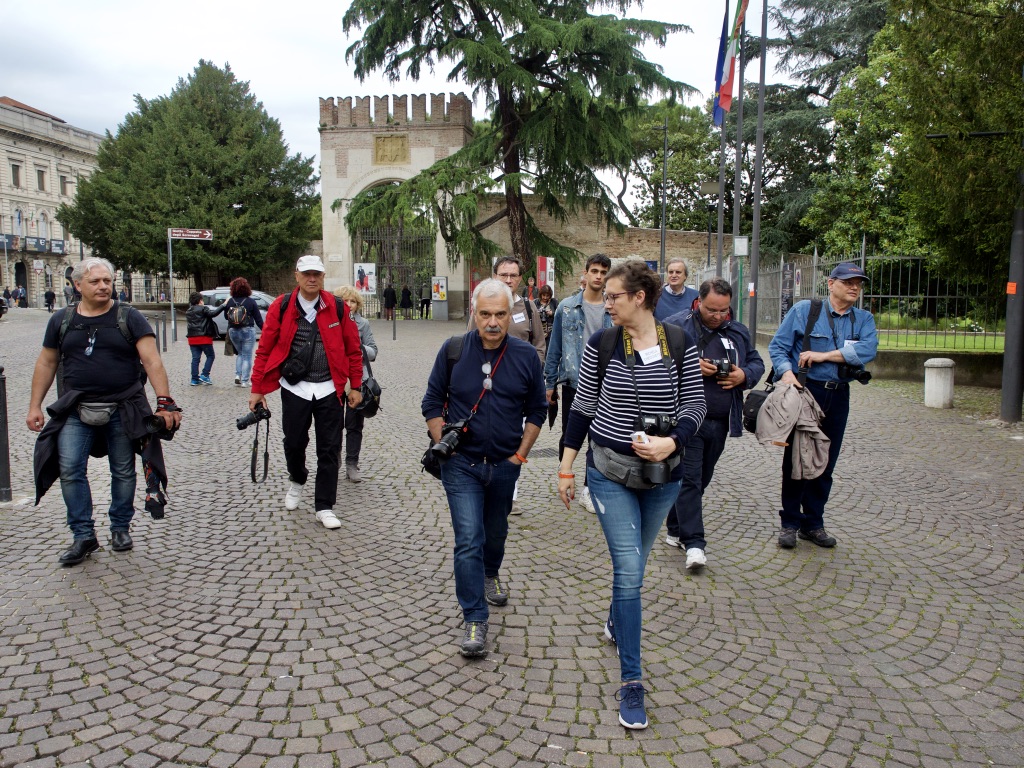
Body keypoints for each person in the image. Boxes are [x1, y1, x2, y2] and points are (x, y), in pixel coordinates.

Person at [557, 259, 706, 729]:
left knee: (633, 567)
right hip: (610, 474)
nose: (607, 301)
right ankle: (633, 683)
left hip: (664, 476)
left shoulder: (678, 342)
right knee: (629, 571)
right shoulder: (602, 343)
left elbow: (695, 405)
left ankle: (614, 621)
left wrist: (673, 440)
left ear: (638, 298)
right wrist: (566, 467)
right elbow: (581, 407)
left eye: (614, 296)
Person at [26, 257, 183, 565]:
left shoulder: (129, 317)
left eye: (107, 281)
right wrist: (34, 405)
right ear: (78, 285)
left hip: (121, 407)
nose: (103, 286)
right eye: (95, 281)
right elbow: (47, 362)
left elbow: (152, 362)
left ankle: (120, 527)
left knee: (123, 470)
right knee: (70, 469)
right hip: (75, 408)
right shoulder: (61, 320)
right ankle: (83, 535)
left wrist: (164, 402)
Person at [422, 278, 547, 658]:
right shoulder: (454, 350)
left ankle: (491, 572)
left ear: (512, 315)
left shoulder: (525, 356)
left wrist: (519, 457)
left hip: (506, 465)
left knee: (495, 533)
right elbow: (431, 402)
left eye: (500, 314)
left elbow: (538, 411)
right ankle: (474, 617)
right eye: (485, 314)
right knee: (468, 539)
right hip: (461, 466)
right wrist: (446, 444)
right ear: (473, 313)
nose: (493, 322)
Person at [768, 261, 878, 549]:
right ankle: (789, 523)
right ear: (831, 283)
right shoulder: (806, 311)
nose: (855, 287)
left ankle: (813, 523)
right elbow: (778, 347)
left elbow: (868, 350)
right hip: (805, 391)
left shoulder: (863, 319)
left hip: (838, 394)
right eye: (848, 282)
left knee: (826, 461)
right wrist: (787, 373)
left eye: (858, 283)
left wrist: (823, 356)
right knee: (797, 459)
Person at [249, 255, 363, 530]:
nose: (312, 278)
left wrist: (355, 385)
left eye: (317, 274)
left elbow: (353, 348)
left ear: (323, 277)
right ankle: (297, 479)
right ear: (297, 276)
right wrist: (256, 388)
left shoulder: (336, 307)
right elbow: (264, 348)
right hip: (295, 388)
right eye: (307, 274)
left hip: (329, 389)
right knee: (294, 442)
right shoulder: (282, 306)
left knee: (329, 448)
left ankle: (324, 505)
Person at [663, 278, 764, 570]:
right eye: (711, 310)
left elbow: (757, 362)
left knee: (701, 479)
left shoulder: (738, 331)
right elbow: (655, 360)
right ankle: (694, 544)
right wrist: (689, 365)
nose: (718, 316)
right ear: (699, 303)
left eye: (724, 311)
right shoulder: (677, 326)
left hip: (721, 421)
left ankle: (674, 527)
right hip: (685, 418)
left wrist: (743, 375)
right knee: (690, 479)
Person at [543, 253, 612, 514]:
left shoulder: (612, 308)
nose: (598, 276)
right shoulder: (568, 307)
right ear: (585, 274)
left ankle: (588, 488)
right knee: (569, 436)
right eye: (594, 271)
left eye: (604, 272)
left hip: (606, 383)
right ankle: (566, 471)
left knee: (597, 437)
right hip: (574, 381)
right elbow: (555, 348)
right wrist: (549, 383)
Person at [333, 285, 378, 483]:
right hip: (333, 380)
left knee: (354, 425)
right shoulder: (330, 322)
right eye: (345, 301)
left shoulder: (363, 324)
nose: (349, 305)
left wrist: (357, 347)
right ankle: (334, 462)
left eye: (353, 301)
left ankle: (352, 464)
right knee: (333, 424)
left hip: (356, 380)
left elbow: (373, 352)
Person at [223, 277, 264, 386]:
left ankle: (238, 375)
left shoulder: (230, 301)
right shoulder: (250, 301)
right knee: (247, 355)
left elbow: (226, 317)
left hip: (233, 331)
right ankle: (245, 381)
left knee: (240, 354)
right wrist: (265, 331)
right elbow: (258, 319)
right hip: (247, 330)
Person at [185, 291, 227, 386]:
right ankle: (205, 374)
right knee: (210, 356)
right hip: (204, 337)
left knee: (195, 358)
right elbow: (213, 313)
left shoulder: (188, 311)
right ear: (200, 301)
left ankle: (194, 379)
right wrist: (223, 305)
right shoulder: (203, 309)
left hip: (192, 338)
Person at [653, 257, 699, 321]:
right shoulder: (656, 295)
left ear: (685, 276)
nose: (674, 275)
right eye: (671, 272)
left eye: (678, 272)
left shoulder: (695, 296)